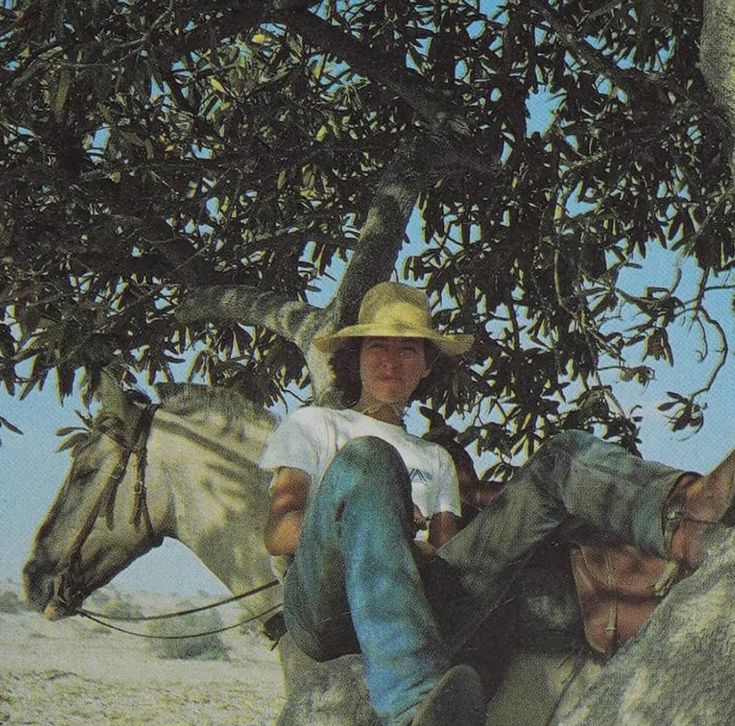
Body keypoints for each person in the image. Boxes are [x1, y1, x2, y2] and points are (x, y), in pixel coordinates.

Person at [261, 281, 735, 726]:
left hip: (421, 601)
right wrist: (381, 524)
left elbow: (449, 560)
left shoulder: (435, 458)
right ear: (356, 357)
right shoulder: (316, 424)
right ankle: (411, 705)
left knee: (562, 453)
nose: (392, 360)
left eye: (409, 348)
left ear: (426, 365)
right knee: (370, 459)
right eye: (377, 346)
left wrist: (418, 551)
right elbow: (280, 533)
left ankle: (682, 516)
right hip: (327, 604)